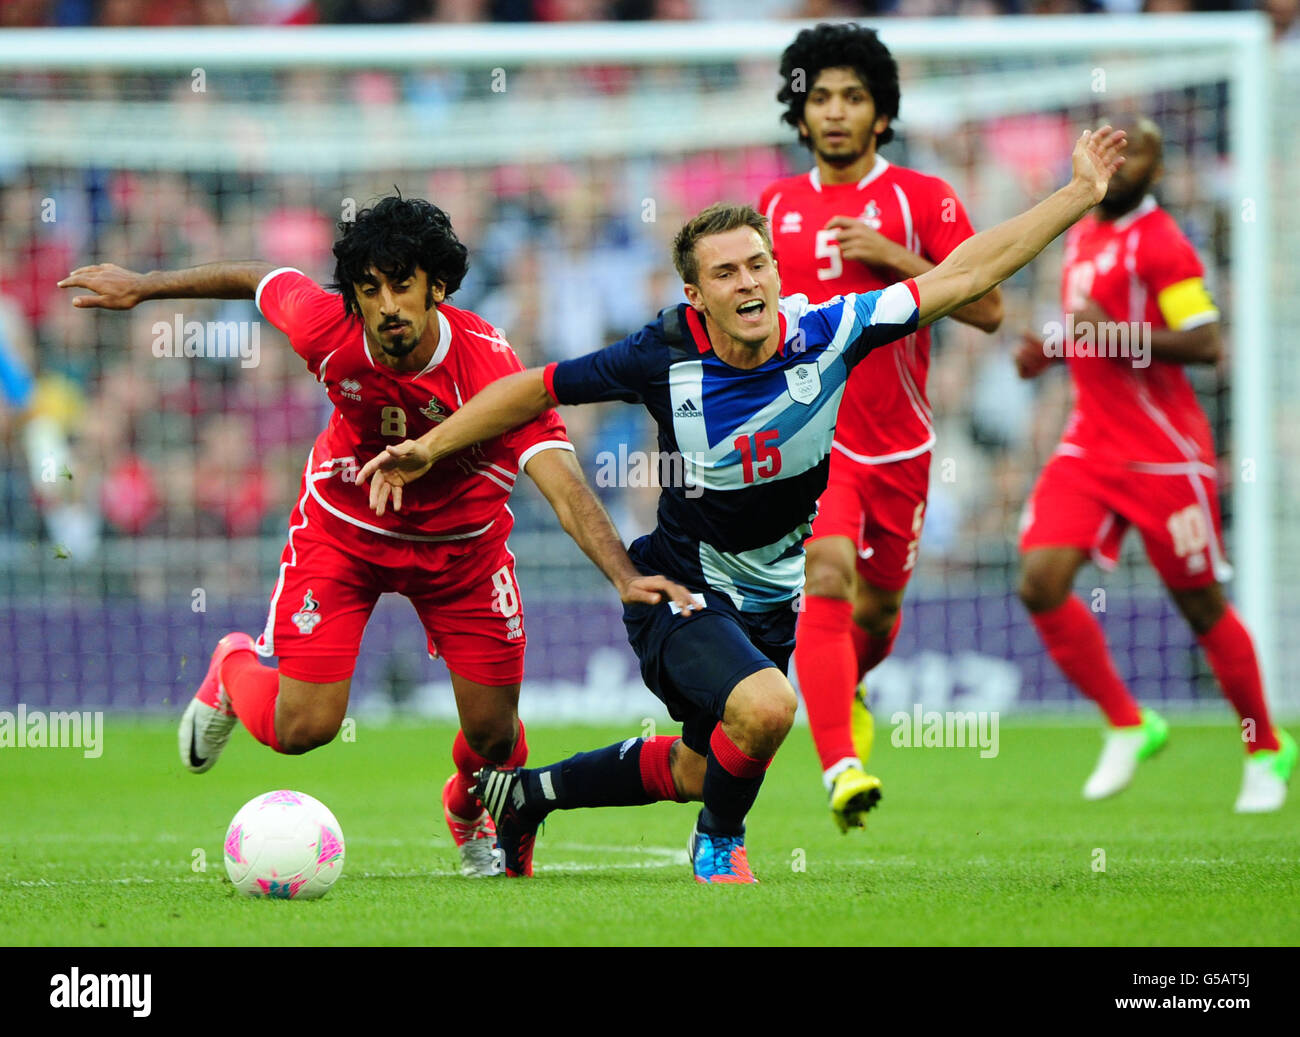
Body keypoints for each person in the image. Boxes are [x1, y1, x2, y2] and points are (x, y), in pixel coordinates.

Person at [360, 127, 1127, 883]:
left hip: (770, 595)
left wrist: (1080, 192)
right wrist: (433, 445)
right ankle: (719, 844)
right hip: (680, 588)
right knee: (766, 707)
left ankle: (526, 797)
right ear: (695, 294)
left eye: (759, 264)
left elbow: (965, 273)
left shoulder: (832, 332)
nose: (749, 282)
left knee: (700, 764)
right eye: (726, 273)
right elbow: (532, 388)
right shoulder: (659, 355)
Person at [57, 195, 696, 878]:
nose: (386, 304)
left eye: (402, 285)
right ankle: (232, 665)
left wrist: (624, 576)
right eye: (369, 289)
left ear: (437, 288)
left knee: (493, 735)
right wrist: (143, 288)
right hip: (345, 532)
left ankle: (467, 807)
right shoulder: (324, 327)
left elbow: (564, 484)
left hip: (465, 552)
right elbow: (259, 277)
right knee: (304, 728)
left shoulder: (488, 367)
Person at [760, 23, 1004, 832]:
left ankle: (849, 685)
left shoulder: (923, 197)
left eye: (853, 97)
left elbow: (989, 308)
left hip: (900, 441)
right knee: (826, 574)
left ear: (881, 113)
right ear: (799, 116)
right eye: (820, 97)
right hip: (812, 444)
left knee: (876, 614)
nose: (834, 112)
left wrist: (897, 258)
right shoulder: (769, 210)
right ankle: (842, 765)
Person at [1014, 117, 1296, 812]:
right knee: (1039, 580)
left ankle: (1266, 747)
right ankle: (1128, 721)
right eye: (1110, 147)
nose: (1120, 160)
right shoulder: (1080, 233)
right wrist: (1050, 350)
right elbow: (1087, 329)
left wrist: (1097, 335)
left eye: (1136, 151)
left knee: (1201, 606)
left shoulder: (1164, 243)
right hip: (1089, 443)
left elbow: (1205, 343)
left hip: (1164, 454)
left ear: (1157, 171)